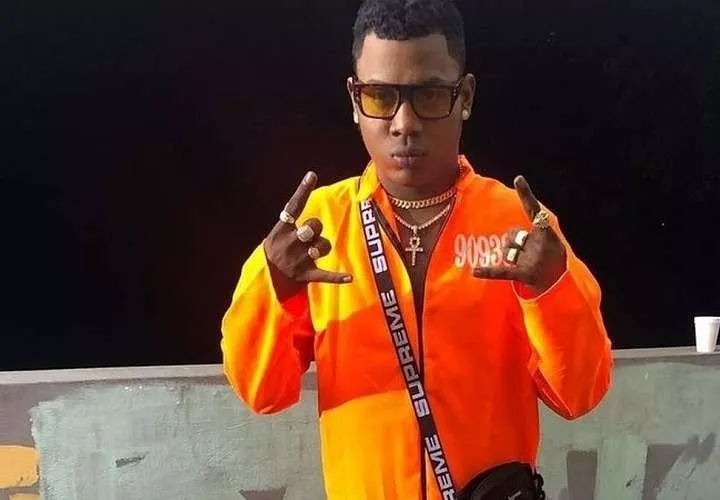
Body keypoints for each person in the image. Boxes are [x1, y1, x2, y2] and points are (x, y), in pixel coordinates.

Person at [221, 0, 613, 498]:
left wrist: (554, 290)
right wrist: (273, 287)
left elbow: (580, 395)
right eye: (380, 96)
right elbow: (261, 393)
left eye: (428, 94)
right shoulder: (316, 231)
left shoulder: (517, 225)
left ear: (465, 96)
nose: (404, 123)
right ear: (354, 99)